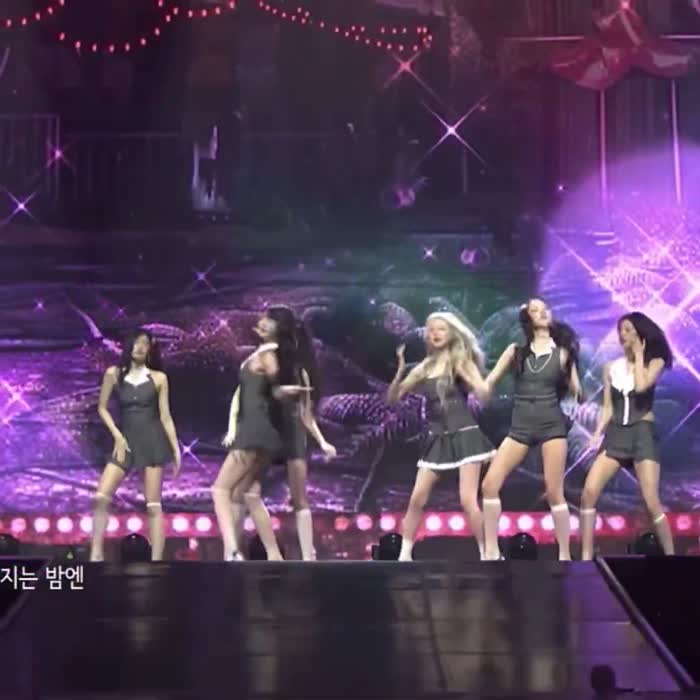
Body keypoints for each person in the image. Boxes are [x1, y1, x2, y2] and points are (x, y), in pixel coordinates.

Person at [212, 306, 335, 561]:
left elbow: (280, 386)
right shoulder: (261, 352)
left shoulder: (270, 355)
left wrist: (283, 391)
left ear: (281, 329)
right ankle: (271, 554)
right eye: (264, 318)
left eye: (271, 320)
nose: (263, 322)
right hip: (260, 429)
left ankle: (233, 551)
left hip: (259, 430)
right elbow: (251, 394)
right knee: (246, 493)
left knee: (221, 490)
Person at [387, 312, 495, 561]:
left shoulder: (461, 361)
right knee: (417, 499)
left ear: (452, 334)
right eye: (431, 329)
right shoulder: (424, 368)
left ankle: (487, 552)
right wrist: (400, 370)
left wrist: (473, 378)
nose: (435, 334)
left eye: (441, 329)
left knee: (467, 500)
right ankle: (404, 554)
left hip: (465, 434)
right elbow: (392, 399)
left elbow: (484, 395)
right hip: (437, 438)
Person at [481, 299, 582, 561]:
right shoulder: (515, 352)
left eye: (545, 309)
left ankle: (564, 555)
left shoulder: (562, 353)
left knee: (554, 491)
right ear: (528, 319)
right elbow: (488, 383)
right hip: (521, 426)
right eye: (535, 310)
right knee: (490, 485)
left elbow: (577, 391)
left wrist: (576, 383)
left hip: (551, 424)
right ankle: (491, 552)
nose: (542, 312)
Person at [580, 312, 674, 559]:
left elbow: (641, 387)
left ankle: (672, 557)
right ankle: (586, 556)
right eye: (621, 330)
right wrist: (597, 434)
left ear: (640, 333)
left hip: (642, 434)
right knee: (589, 492)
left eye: (629, 329)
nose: (623, 335)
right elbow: (608, 408)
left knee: (651, 501)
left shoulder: (655, 362)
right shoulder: (611, 368)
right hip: (616, 435)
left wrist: (640, 355)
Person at [90, 329, 181, 562]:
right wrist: (117, 436)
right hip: (125, 442)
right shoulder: (113, 374)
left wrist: (175, 449)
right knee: (101, 498)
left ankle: (157, 560)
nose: (140, 347)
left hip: (152, 441)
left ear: (150, 349)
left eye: (145, 344)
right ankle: (96, 554)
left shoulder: (159, 378)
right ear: (128, 345)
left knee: (153, 506)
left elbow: (165, 416)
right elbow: (102, 408)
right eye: (136, 343)